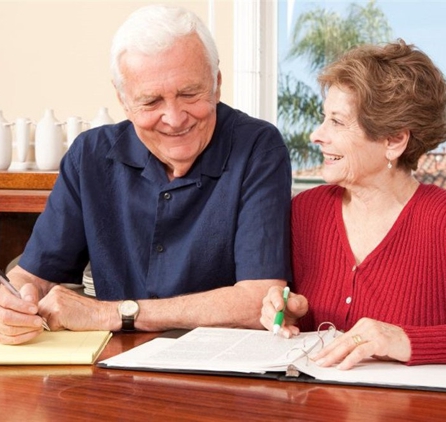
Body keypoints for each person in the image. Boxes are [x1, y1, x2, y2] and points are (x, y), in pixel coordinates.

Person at [0, 5, 292, 345]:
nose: (174, 117)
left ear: (217, 83)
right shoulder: (89, 155)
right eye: (151, 101)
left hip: (221, 373)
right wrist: (15, 302)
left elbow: (261, 298)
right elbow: (31, 275)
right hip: (113, 371)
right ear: (124, 101)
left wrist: (114, 313)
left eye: (189, 94)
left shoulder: (258, 146)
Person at [261, 39, 446, 369]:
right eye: (323, 118)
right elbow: (294, 314)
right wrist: (288, 308)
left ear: (394, 140)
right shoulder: (305, 211)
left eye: (337, 121)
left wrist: (403, 340)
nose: (316, 135)